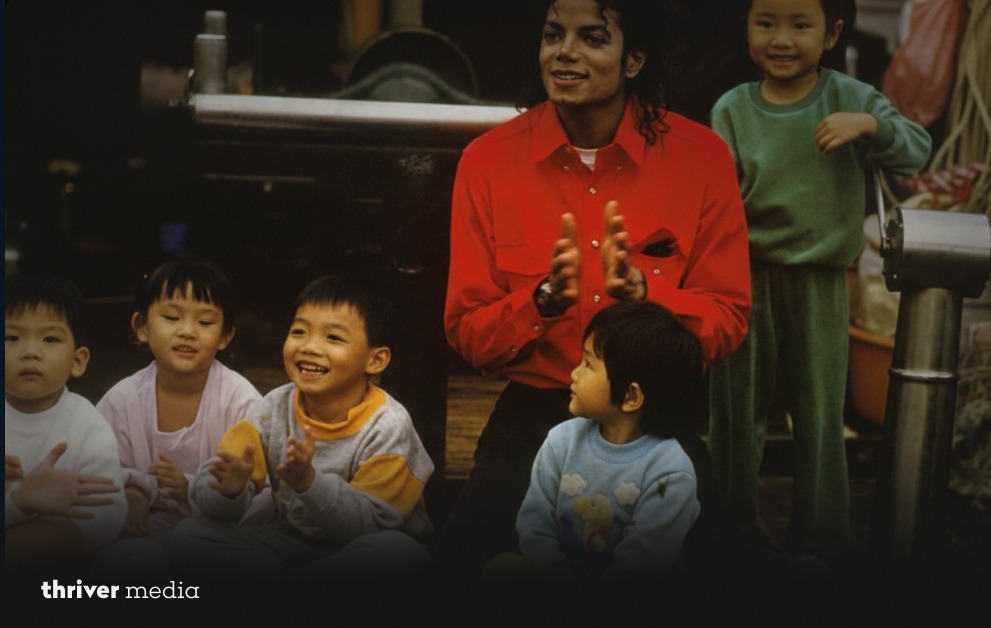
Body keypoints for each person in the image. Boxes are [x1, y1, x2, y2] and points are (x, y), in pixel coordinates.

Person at [435, 0, 752, 576]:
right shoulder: (487, 162)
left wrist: (647, 303)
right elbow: (468, 333)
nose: (565, 52)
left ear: (633, 59)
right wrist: (542, 302)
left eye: (592, 37)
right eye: (553, 34)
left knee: (730, 580)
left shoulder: (701, 158)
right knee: (458, 573)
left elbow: (728, 318)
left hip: (652, 415)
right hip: (537, 413)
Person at [706, 0, 932, 568]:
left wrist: (872, 126)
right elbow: (710, 200)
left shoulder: (849, 98)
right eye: (765, 23)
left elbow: (918, 150)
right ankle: (727, 532)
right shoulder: (731, 109)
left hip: (823, 282)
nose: (781, 39)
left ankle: (819, 542)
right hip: (744, 281)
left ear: (832, 33)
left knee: (819, 415)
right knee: (734, 415)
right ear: (746, 27)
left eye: (800, 25)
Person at [167, 272, 435, 585]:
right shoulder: (273, 407)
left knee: (398, 552)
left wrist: (309, 482)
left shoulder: (389, 425)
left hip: (364, 548)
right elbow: (216, 510)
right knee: (190, 536)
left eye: (333, 338)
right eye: (299, 332)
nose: (309, 347)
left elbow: (368, 527)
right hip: (292, 547)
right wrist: (229, 490)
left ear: (375, 360)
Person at [491, 301, 703, 582]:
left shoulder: (670, 472)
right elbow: (536, 529)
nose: (574, 373)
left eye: (588, 364)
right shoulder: (562, 441)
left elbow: (643, 563)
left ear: (630, 397)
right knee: (501, 567)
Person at [93, 256, 269, 577]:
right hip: (147, 531)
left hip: (217, 534)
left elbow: (263, 491)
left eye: (205, 322)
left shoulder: (240, 400)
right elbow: (95, 468)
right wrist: (132, 493)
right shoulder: (122, 400)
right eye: (172, 317)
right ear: (141, 327)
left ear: (226, 336)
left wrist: (191, 489)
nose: (187, 331)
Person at [5, 271, 126, 579]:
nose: (30, 351)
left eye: (50, 339)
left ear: (78, 361)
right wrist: (19, 502)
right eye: (11, 338)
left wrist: (56, 519)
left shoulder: (87, 425)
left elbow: (109, 514)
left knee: (142, 558)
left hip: (65, 554)